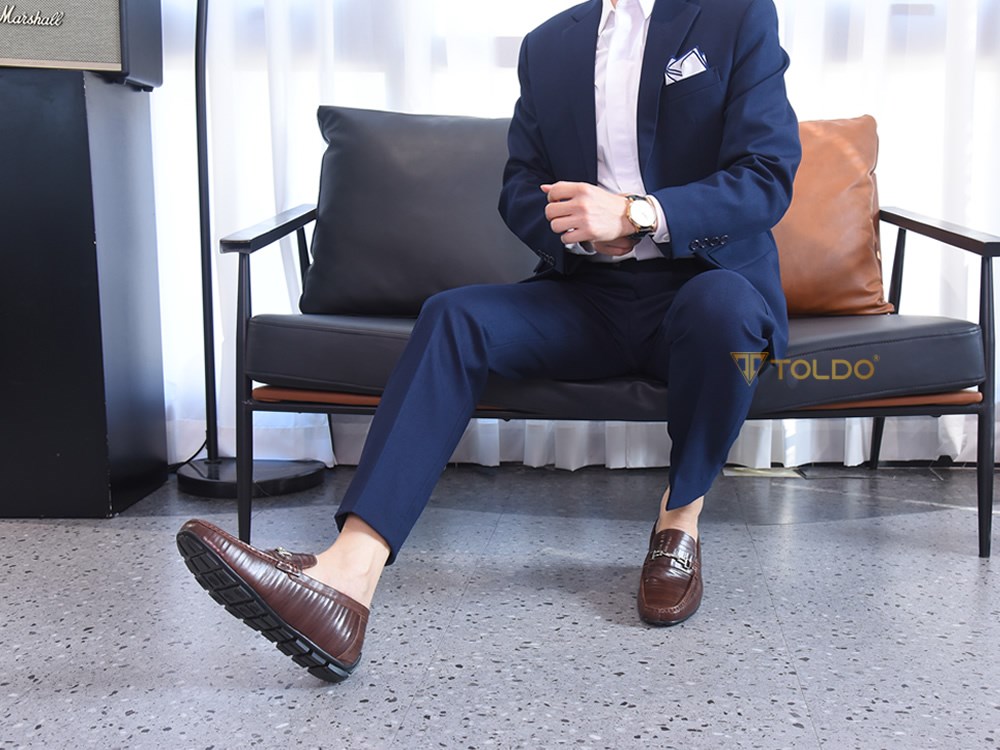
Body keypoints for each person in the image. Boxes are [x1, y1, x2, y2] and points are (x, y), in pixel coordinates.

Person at [177, 0, 801, 684]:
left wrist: (636, 214)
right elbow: (519, 186)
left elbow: (766, 174)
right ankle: (347, 579)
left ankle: (678, 522)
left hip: (701, 286)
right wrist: (579, 230)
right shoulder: (548, 45)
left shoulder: (736, 15)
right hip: (588, 296)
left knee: (724, 310)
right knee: (455, 317)